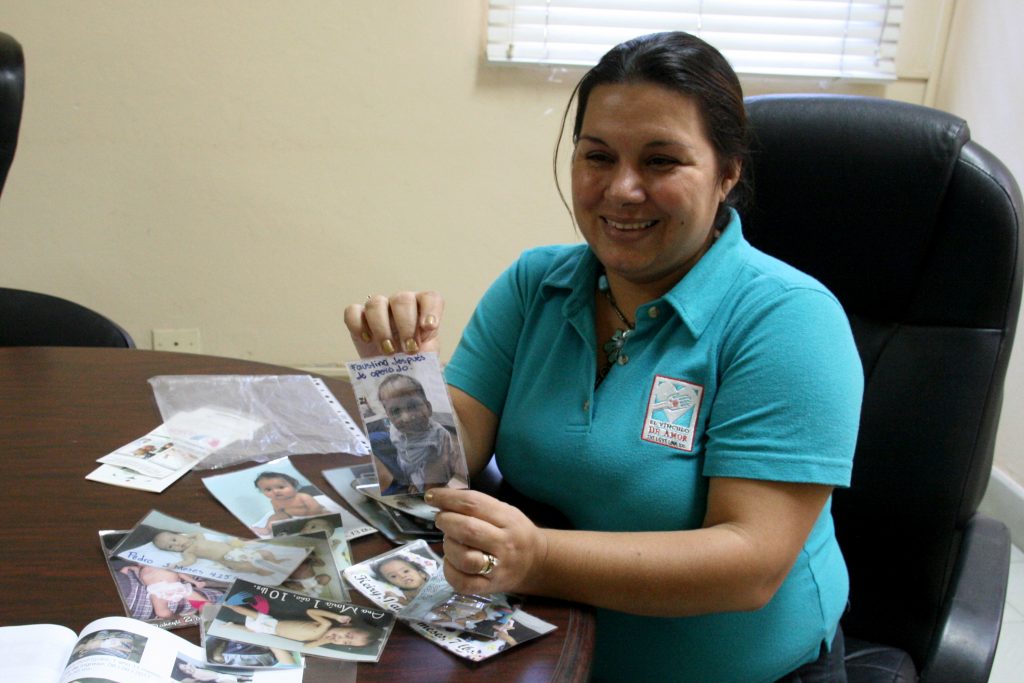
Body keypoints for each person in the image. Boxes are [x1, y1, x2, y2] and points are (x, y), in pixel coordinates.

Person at [344, 30, 862, 683]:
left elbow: (750, 565)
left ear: (728, 173)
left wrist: (537, 558)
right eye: (598, 156)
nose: (621, 189)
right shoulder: (535, 284)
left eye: (661, 161)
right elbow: (431, 478)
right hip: (543, 653)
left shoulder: (790, 320)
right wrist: (398, 380)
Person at [374, 373, 467, 494]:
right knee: (373, 439)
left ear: (428, 407)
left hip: (425, 474)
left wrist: (419, 485)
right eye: (395, 411)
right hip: (404, 462)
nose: (406, 418)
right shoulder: (394, 430)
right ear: (388, 416)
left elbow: (444, 470)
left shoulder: (438, 436)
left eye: (413, 406)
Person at [218, 604, 381, 650]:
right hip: (272, 623)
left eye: (346, 643)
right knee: (249, 613)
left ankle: (231, 626)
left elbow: (306, 647)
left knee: (251, 630)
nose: (341, 639)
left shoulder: (322, 638)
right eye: (348, 635)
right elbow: (311, 611)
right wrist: (336, 616)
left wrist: (323, 641)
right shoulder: (325, 625)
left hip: (271, 631)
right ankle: (228, 605)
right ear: (347, 625)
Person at [152, 530, 282, 576]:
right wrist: (177, 564)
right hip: (226, 558)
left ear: (180, 535)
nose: (176, 544)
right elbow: (190, 561)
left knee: (265, 553)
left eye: (174, 539)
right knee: (244, 567)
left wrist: (187, 536)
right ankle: (259, 570)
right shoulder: (188, 551)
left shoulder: (197, 539)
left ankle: (276, 561)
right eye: (171, 547)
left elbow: (198, 533)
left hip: (237, 551)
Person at [253, 471, 327, 532]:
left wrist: (309, 518)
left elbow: (315, 507)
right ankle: (267, 529)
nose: (275, 491)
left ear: (293, 486)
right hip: (291, 516)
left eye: (281, 487)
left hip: (313, 513)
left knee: (325, 513)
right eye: (268, 489)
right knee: (273, 517)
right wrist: (280, 519)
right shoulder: (274, 501)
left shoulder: (303, 497)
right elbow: (279, 512)